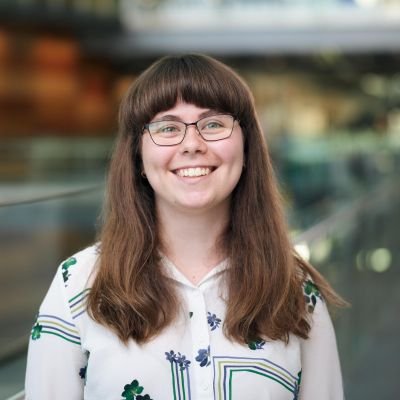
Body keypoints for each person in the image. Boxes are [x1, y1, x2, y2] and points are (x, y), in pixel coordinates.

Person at [25, 54, 346, 400]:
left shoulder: (295, 290)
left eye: (213, 124)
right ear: (138, 157)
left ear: (247, 145)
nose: (192, 144)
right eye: (168, 128)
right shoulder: (78, 284)